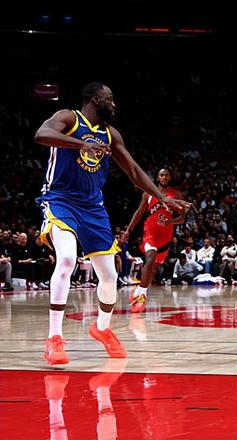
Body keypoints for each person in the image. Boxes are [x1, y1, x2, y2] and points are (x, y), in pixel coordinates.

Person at [34, 82, 189, 365]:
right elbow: (41, 134)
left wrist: (162, 199)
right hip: (60, 200)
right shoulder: (68, 118)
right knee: (66, 259)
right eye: (110, 99)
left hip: (93, 207)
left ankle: (102, 329)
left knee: (109, 275)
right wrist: (81, 144)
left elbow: (134, 171)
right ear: (96, 99)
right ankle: (54, 338)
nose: (114, 104)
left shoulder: (110, 134)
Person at [123, 168, 187, 313]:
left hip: (165, 236)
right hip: (150, 232)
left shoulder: (177, 194)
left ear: (170, 178)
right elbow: (139, 212)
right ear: (157, 178)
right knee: (150, 258)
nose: (164, 177)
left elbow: (182, 218)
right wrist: (128, 230)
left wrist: (170, 222)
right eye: (161, 175)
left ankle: (138, 292)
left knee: (153, 270)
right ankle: (141, 297)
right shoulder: (148, 193)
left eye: (166, 175)